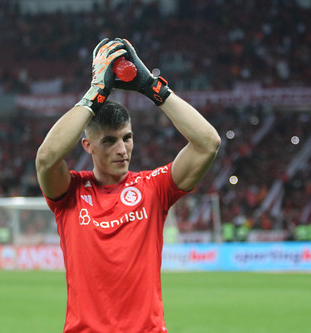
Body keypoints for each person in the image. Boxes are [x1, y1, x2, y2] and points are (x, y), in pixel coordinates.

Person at [35, 38, 221, 332]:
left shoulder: (153, 188)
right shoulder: (69, 192)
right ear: (88, 145)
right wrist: (96, 92)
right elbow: (47, 158)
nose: (122, 149)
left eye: (127, 137)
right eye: (109, 141)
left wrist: (151, 87)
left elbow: (208, 144)